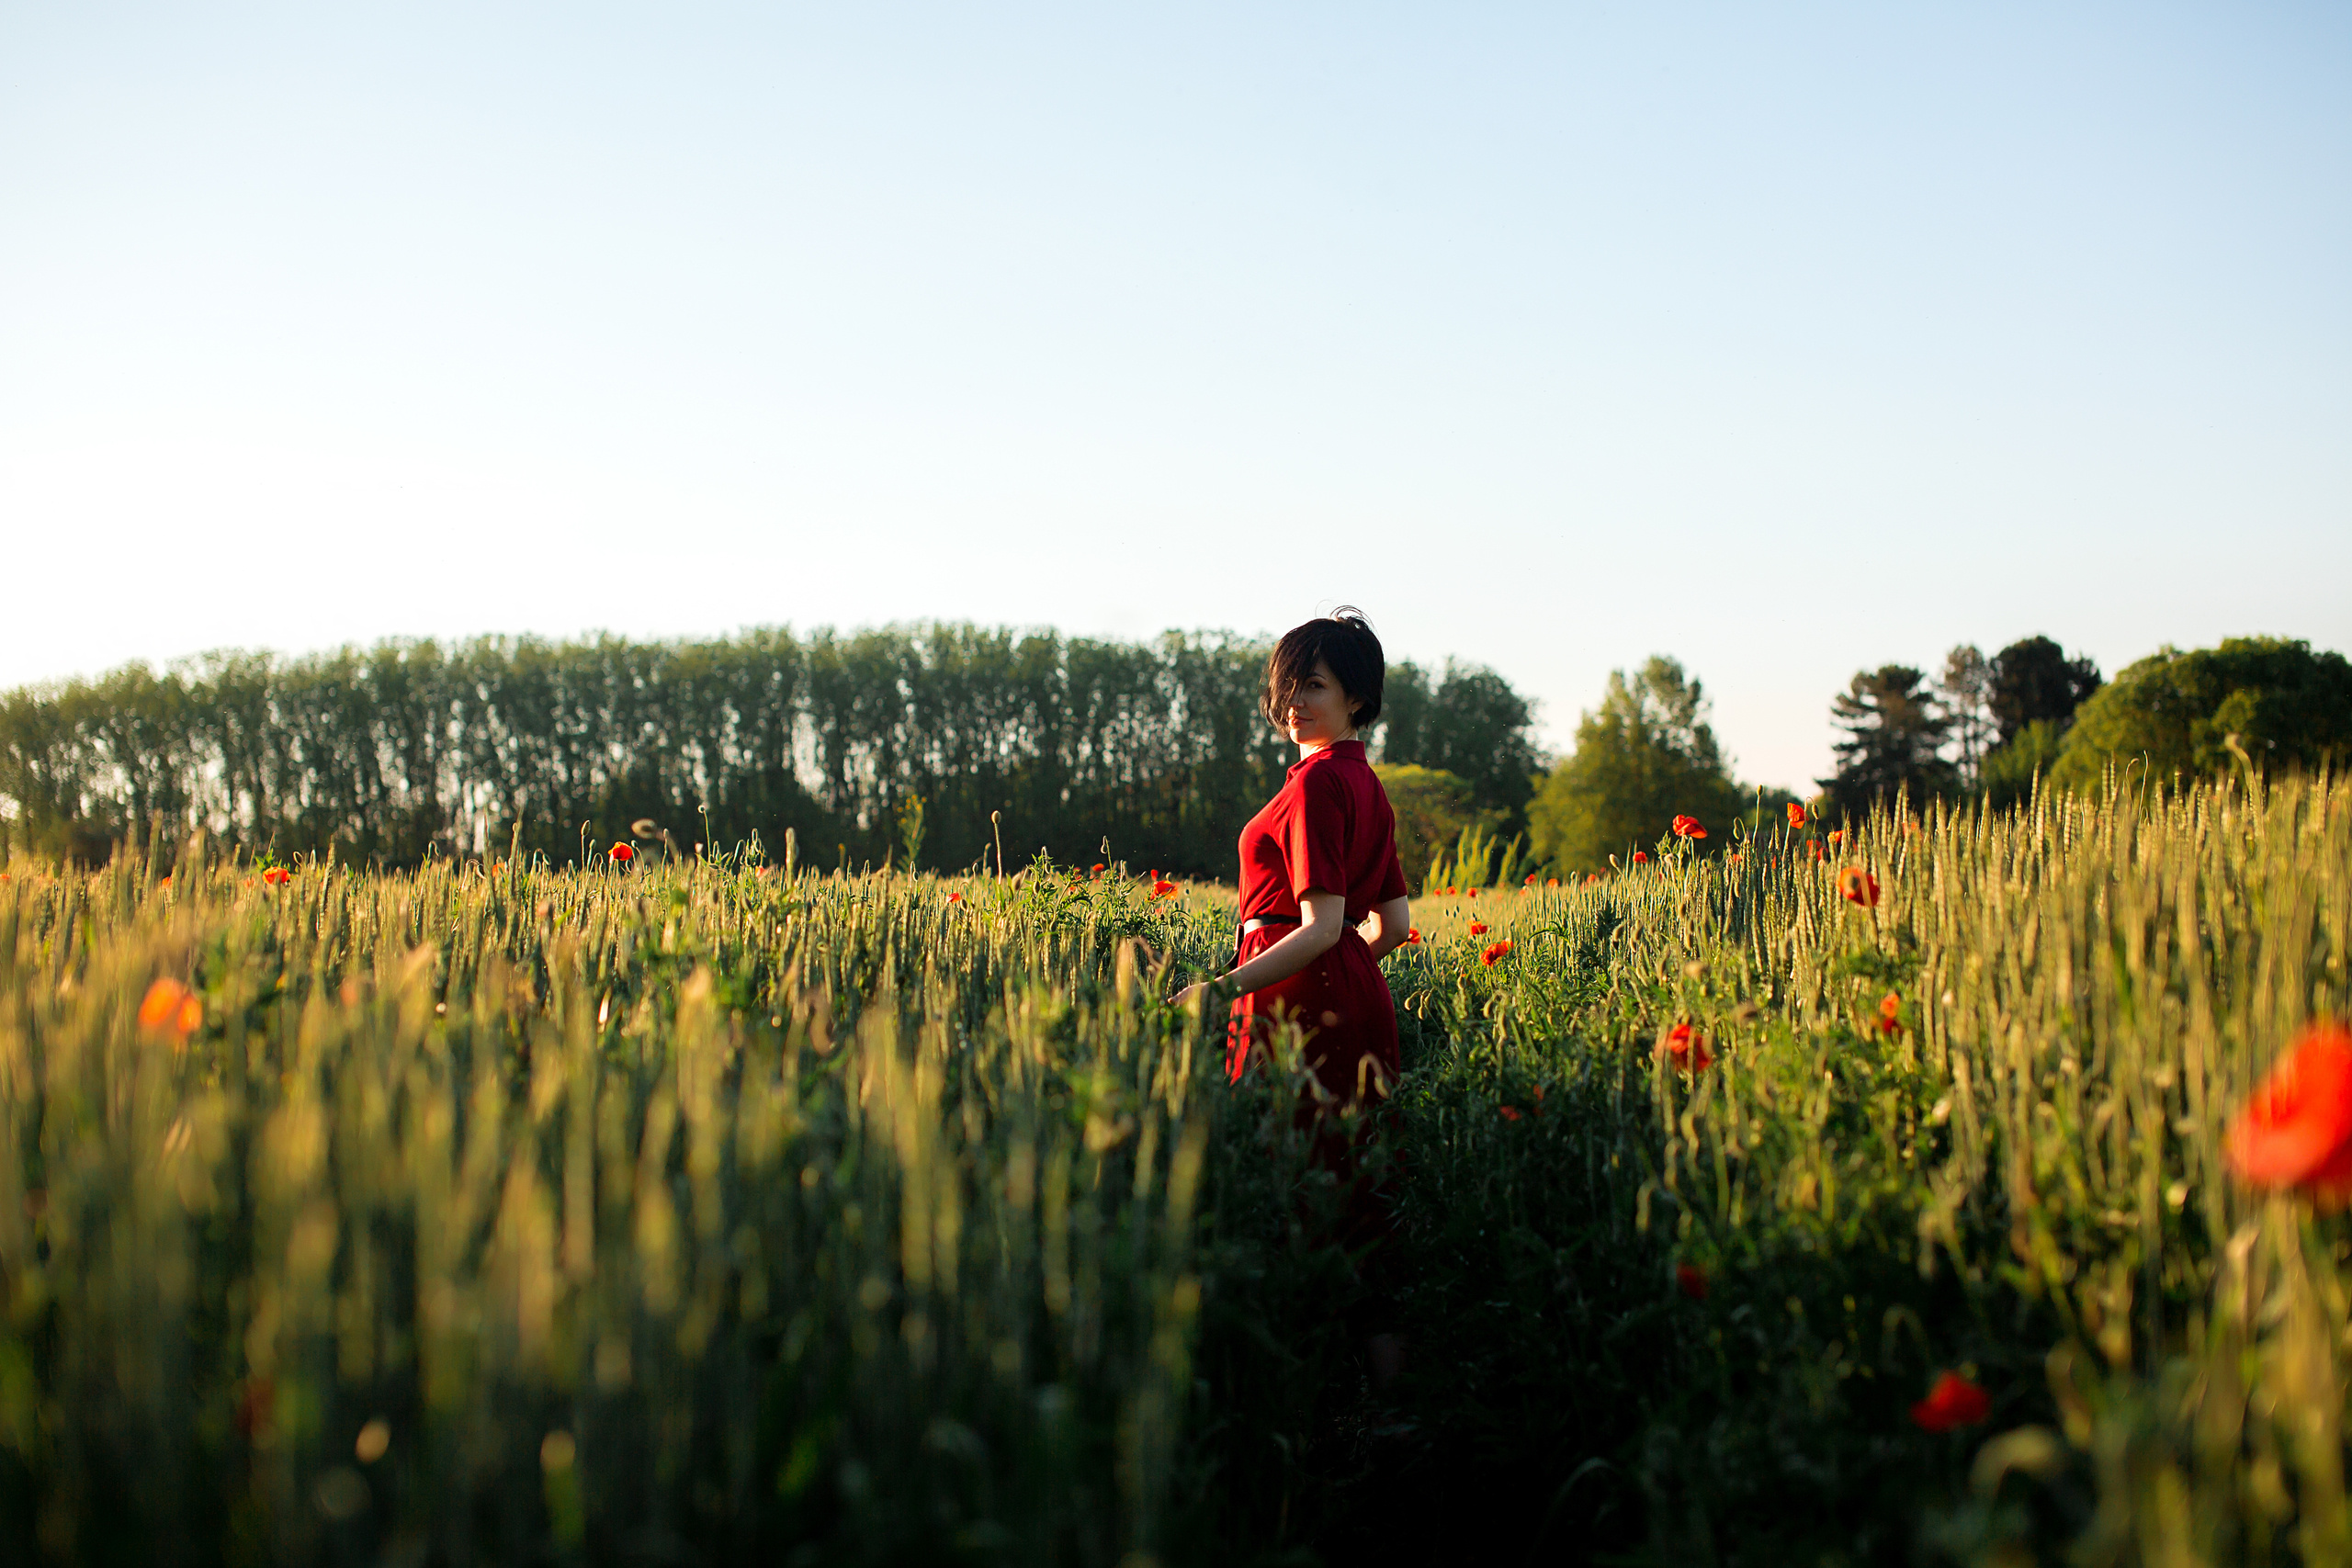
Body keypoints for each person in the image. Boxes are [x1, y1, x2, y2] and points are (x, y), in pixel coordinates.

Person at [1173, 606, 1414, 1129]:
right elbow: (1394, 928)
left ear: (1356, 698)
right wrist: (1343, 971)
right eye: (1288, 685)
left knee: (1284, 1172)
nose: (1294, 702)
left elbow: (1323, 927)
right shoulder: (1370, 788)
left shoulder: (1316, 782)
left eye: (1314, 685)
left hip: (1295, 1004)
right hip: (1354, 995)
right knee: (1349, 1180)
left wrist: (1217, 991)